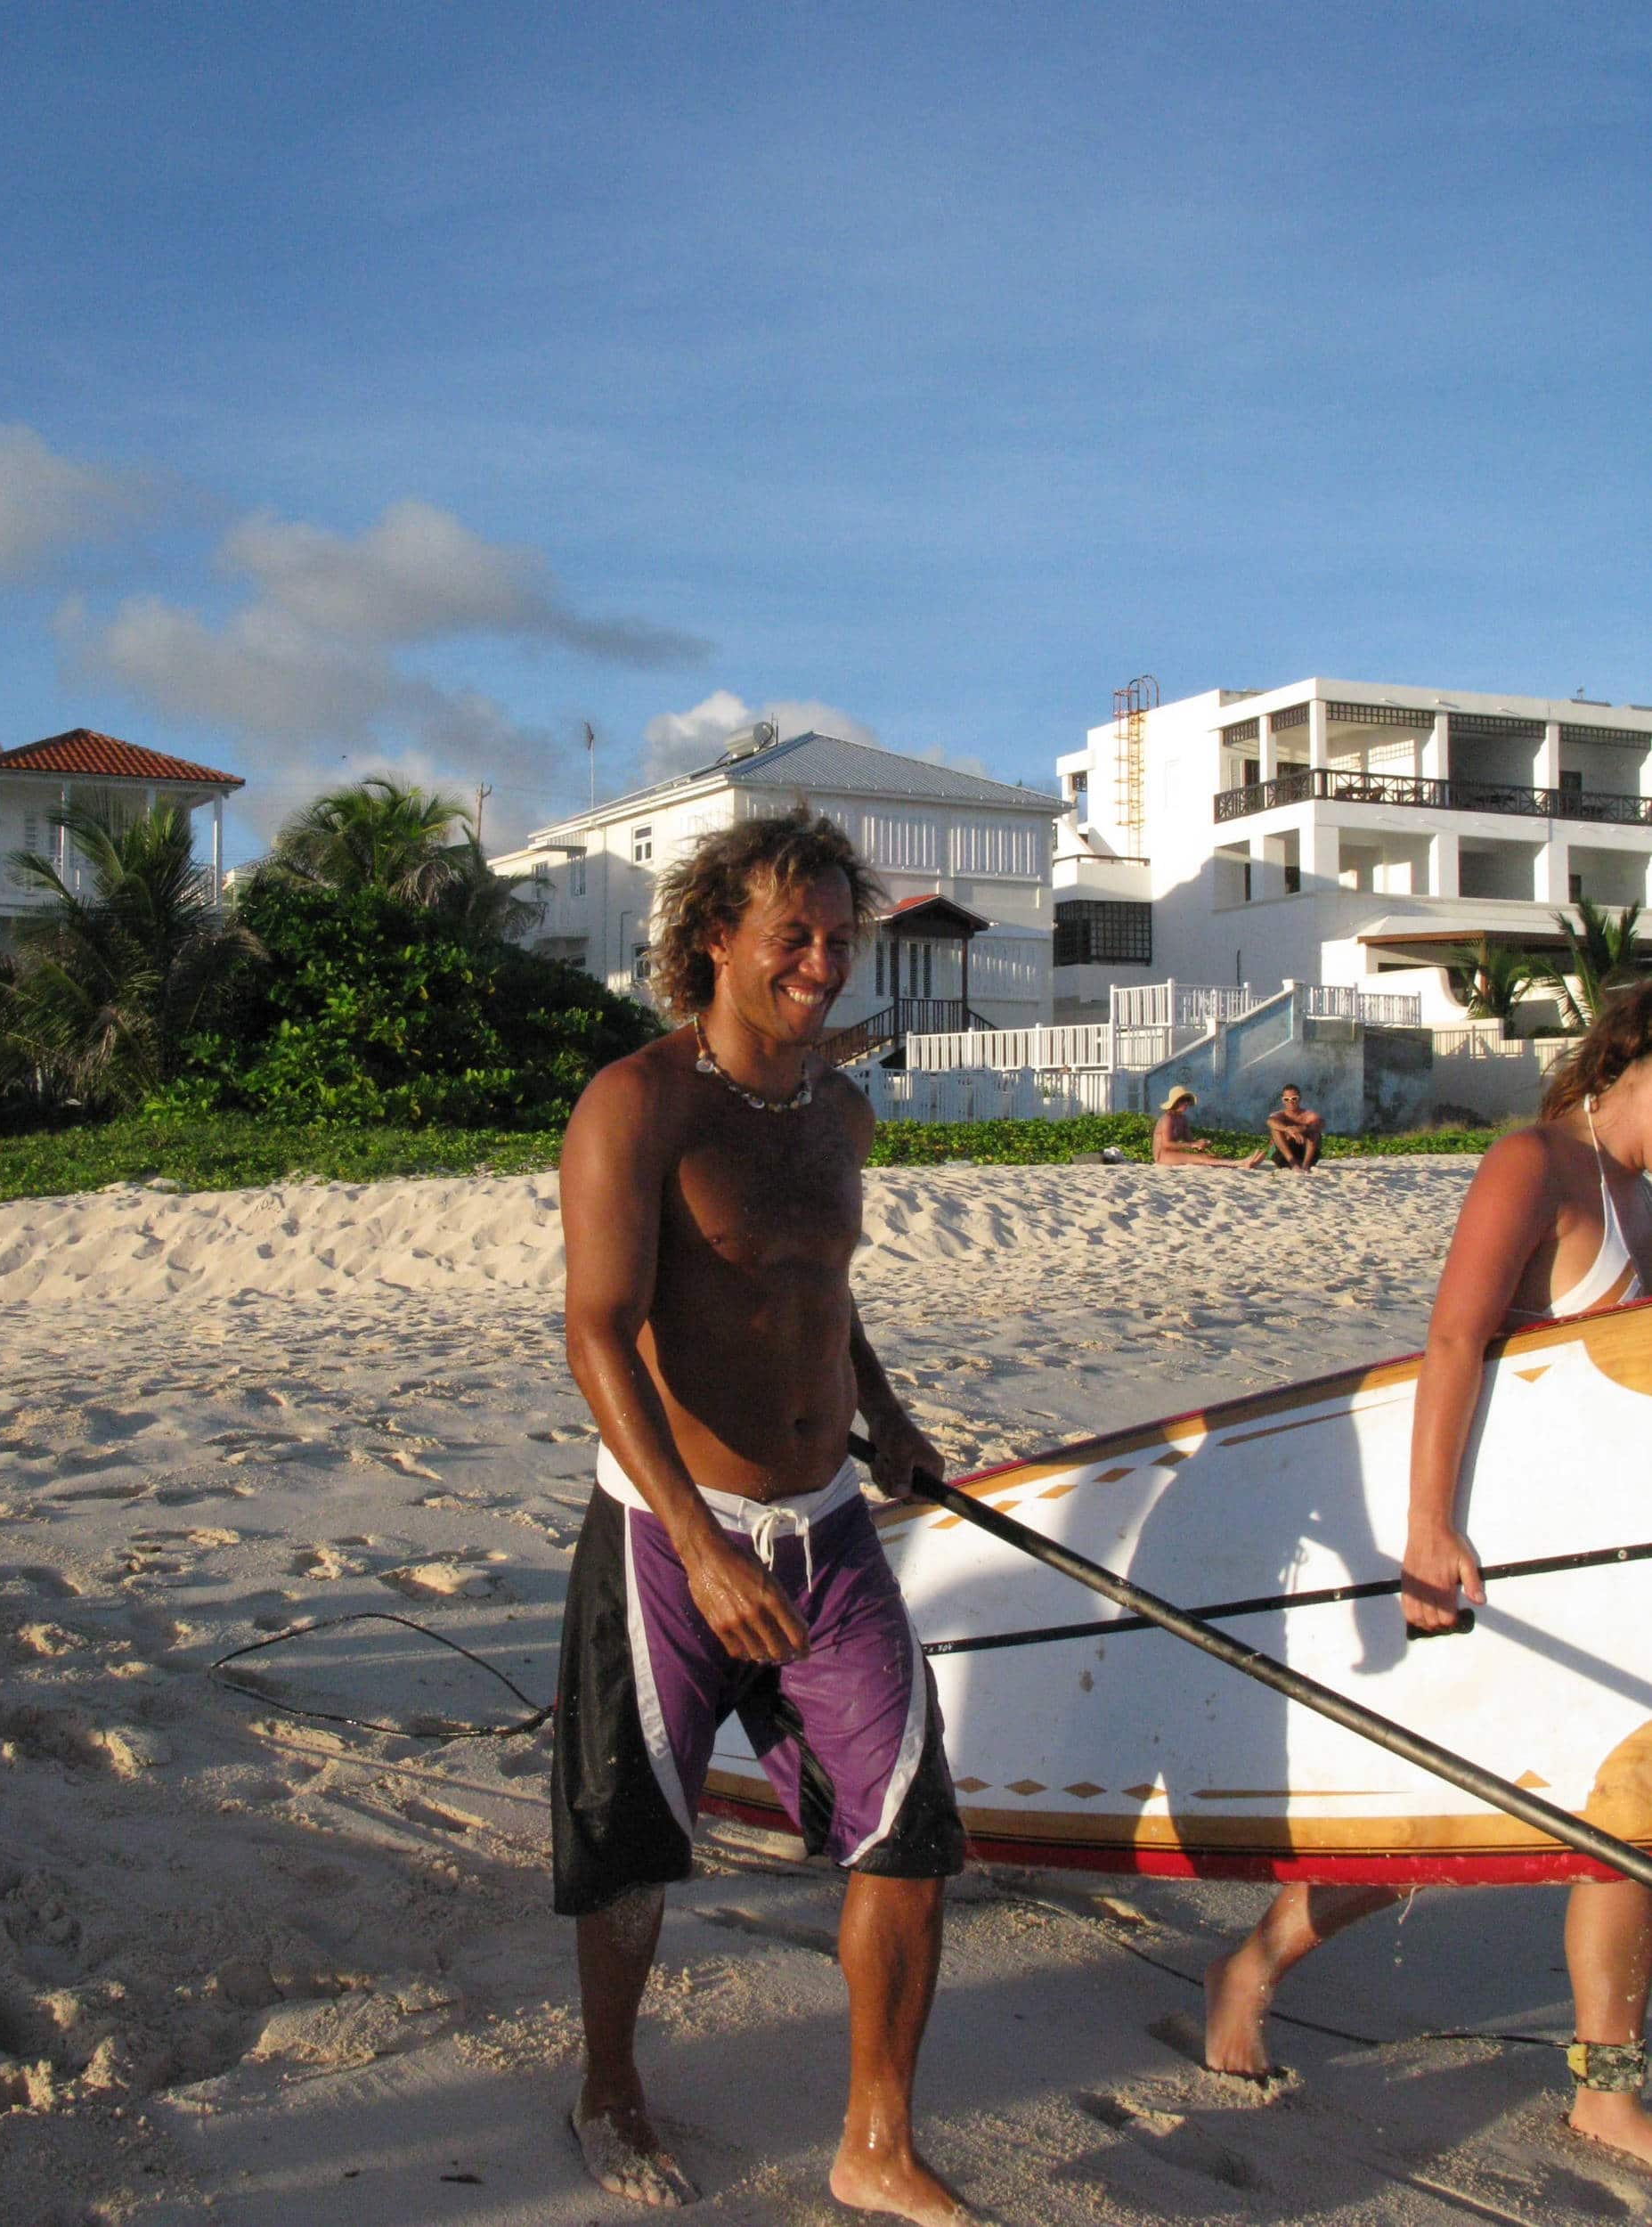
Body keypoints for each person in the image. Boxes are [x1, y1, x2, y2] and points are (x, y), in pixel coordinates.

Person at [553, 805, 980, 2223]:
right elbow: (599, 1335)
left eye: (837, 936)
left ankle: (873, 2141)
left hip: (828, 1524)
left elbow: (817, 1290)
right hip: (668, 1537)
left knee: (906, 1829)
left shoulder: (840, 1110)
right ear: (714, 940)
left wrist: (890, 1414)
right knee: (629, 1840)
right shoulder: (638, 1104)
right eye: (790, 933)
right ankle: (610, 2087)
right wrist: (692, 1541)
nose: (820, 959)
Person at [1203, 980, 1652, 2164]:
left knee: (1623, 1819)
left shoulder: (1638, 1195)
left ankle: (1603, 2084)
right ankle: (1251, 1965)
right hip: (1504, 1547)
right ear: (1632, 1062)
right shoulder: (1534, 1163)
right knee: (1448, 1818)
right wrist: (1423, 1528)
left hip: (1606, 1564)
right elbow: (1450, 1336)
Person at [1152, 1084, 1267, 1169]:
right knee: (1202, 1159)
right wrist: (1193, 1145)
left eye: (1187, 1100)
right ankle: (1240, 1163)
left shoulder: (1182, 1119)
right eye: (1183, 1100)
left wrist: (1201, 1144)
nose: (1186, 1103)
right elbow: (1167, 1144)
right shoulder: (1167, 1119)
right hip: (1162, 1155)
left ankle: (1241, 1163)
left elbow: (1189, 1140)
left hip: (1171, 1153)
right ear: (1175, 1102)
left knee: (1208, 1156)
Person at [1265, 1083, 1324, 1170]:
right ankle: (1293, 1164)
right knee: (1276, 1130)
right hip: (1284, 1157)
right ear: (1282, 1101)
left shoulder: (1308, 1115)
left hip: (1306, 1155)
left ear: (1299, 1098)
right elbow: (1270, 1121)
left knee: (1314, 1131)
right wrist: (1287, 1129)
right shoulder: (1280, 1115)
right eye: (1286, 1099)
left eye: (1294, 1098)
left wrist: (1303, 1128)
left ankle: (1305, 1165)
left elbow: (1320, 1123)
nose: (1290, 1102)